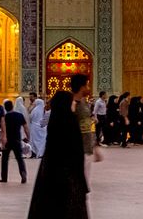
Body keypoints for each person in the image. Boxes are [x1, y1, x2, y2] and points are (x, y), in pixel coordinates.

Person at [27, 89, 91, 219]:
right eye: (71, 102)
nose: (74, 104)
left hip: (51, 177)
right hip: (69, 177)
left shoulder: (54, 120)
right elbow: (77, 153)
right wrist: (82, 182)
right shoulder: (71, 121)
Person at [1, 100, 29, 184]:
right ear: (13, 106)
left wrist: (2, 140)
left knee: (5, 159)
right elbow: (25, 127)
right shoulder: (19, 115)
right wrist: (28, 137)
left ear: (5, 108)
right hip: (17, 139)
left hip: (7, 140)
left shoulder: (4, 117)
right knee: (19, 158)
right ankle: (23, 173)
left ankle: (4, 178)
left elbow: (2, 129)